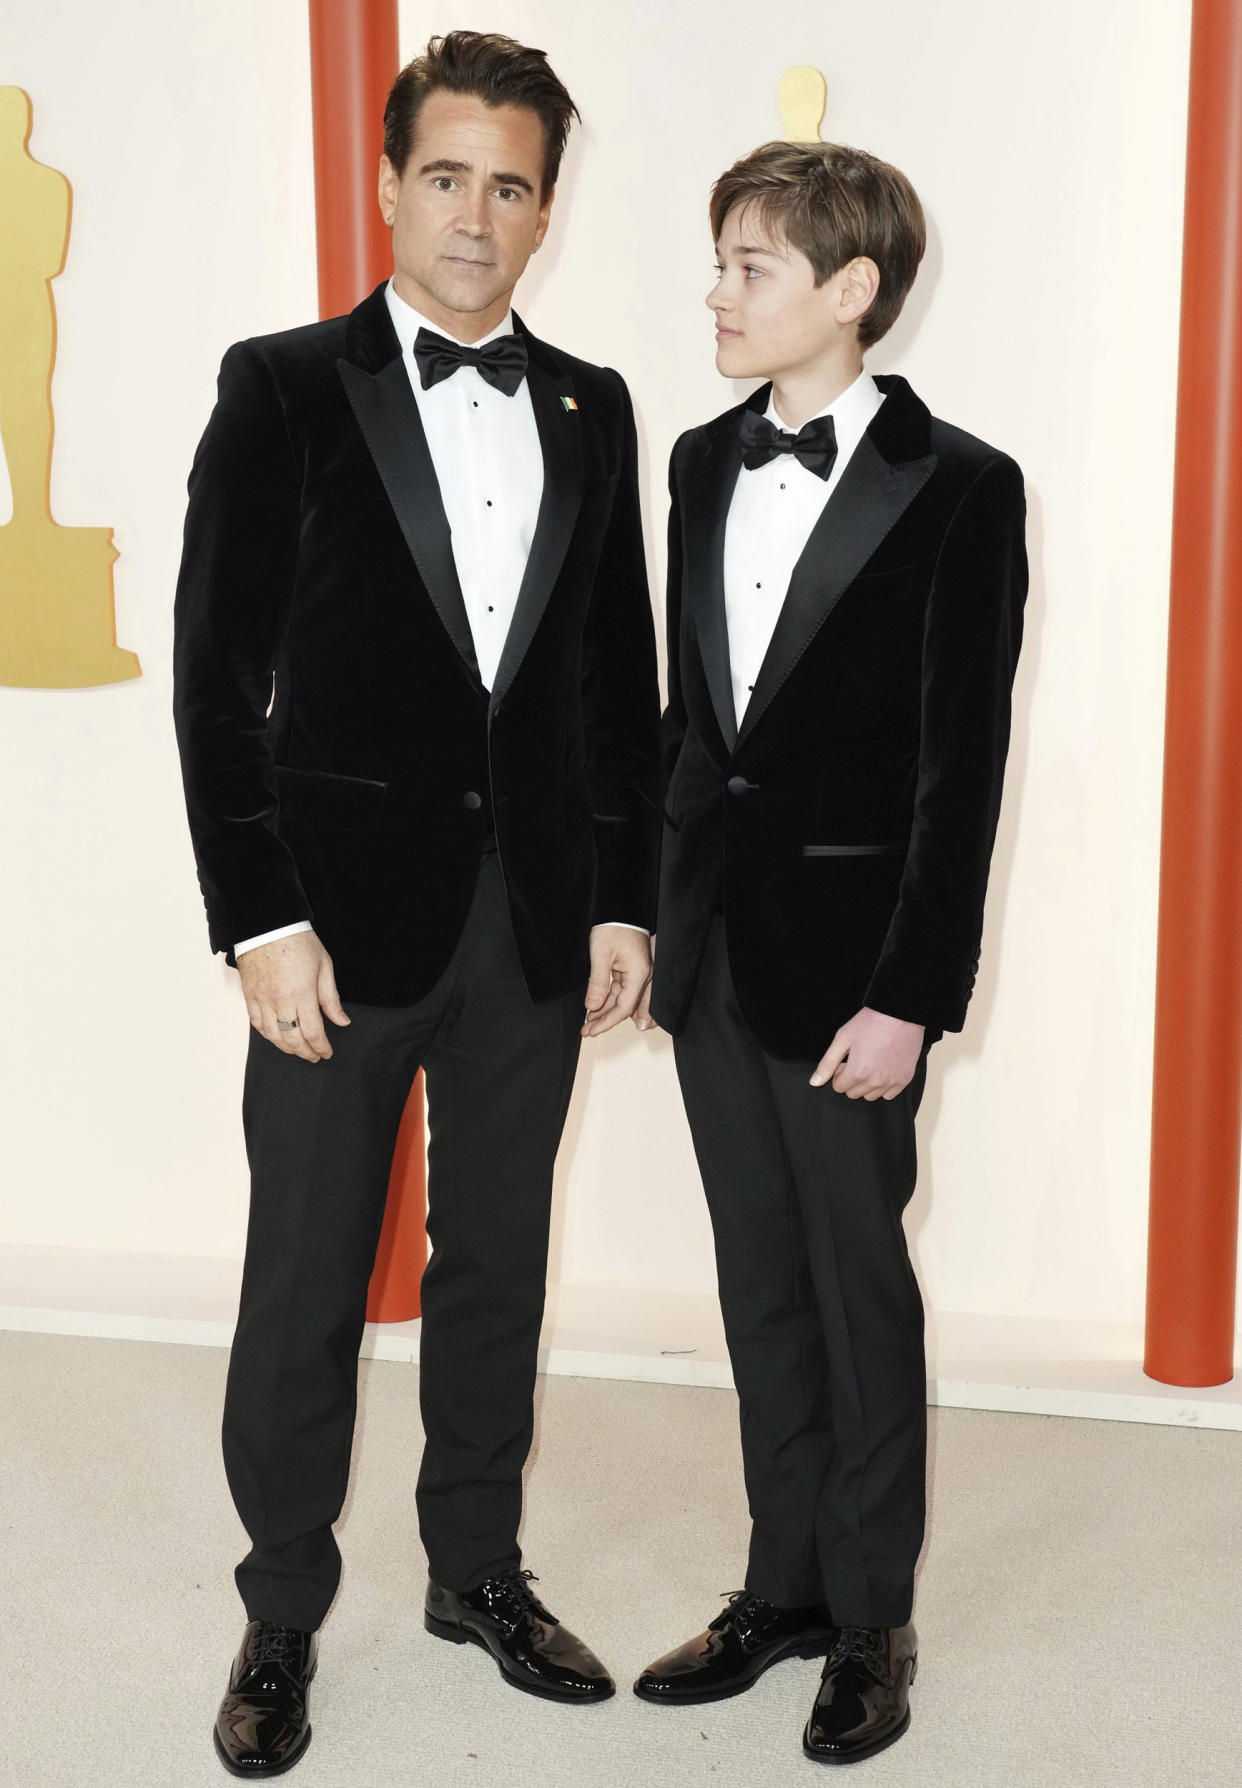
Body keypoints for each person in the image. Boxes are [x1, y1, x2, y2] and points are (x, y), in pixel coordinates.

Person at [172, 31, 660, 1778]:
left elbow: (617, 686)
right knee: (303, 1274)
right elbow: (217, 687)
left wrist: (622, 902)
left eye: (509, 184)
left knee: (498, 1269)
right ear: (389, 187)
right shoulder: (283, 385)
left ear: (545, 210)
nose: (474, 213)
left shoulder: (596, 408)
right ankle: (284, 1607)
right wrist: (259, 918)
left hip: (528, 926)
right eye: (444, 175)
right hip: (331, 928)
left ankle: (475, 1573)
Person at [632, 140, 1027, 1763]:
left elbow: (961, 764)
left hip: (856, 974)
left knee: (860, 1296)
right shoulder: (697, 464)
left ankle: (871, 1617)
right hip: (714, 956)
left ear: (848, 291)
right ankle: (779, 1581)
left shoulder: (963, 487)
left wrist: (911, 998)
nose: (716, 292)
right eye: (716, 261)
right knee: (758, 1287)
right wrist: (652, 926)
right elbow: (686, 728)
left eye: (749, 267)